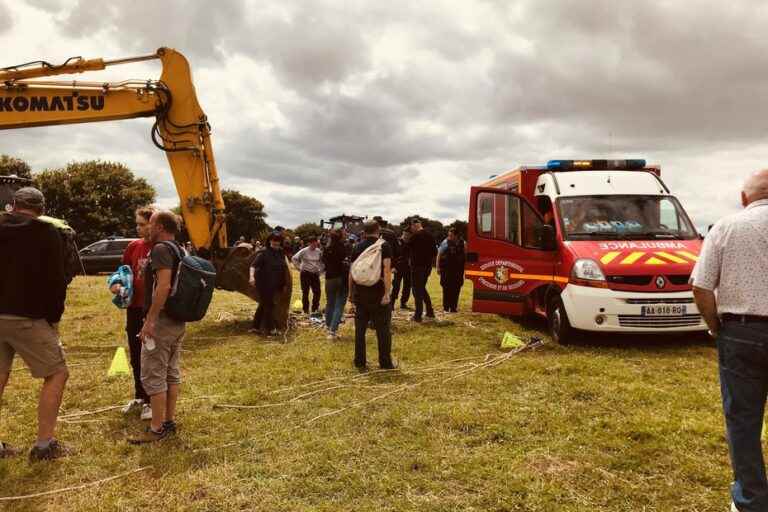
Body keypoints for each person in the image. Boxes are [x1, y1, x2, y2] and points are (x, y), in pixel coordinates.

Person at [691, 169, 768, 512]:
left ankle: (751, 500)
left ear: (743, 198)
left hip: (741, 332)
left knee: (743, 419)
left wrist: (714, 326)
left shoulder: (726, 227)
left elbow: (701, 285)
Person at [0, 187, 70, 460]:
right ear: (40, 208)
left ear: (14, 205)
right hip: (27, 318)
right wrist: (54, 319)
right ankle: (44, 445)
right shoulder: (47, 234)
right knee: (57, 373)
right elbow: (56, 281)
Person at [129, 210, 186, 444]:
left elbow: (162, 287)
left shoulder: (161, 249)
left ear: (161, 227)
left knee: (154, 373)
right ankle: (168, 422)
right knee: (171, 373)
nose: (146, 229)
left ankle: (157, 428)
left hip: (161, 321)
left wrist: (150, 320)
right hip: (177, 319)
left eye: (150, 224)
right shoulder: (179, 249)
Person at [113, 206, 154, 421]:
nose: (138, 228)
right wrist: (117, 284)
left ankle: (151, 401)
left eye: (142, 224)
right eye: (137, 223)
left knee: (151, 355)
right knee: (136, 354)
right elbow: (122, 272)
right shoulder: (133, 246)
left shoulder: (160, 247)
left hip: (153, 310)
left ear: (153, 224)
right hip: (134, 308)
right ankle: (139, 395)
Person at [349, 220, 396, 370]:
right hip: (378, 292)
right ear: (378, 230)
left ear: (365, 231)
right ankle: (385, 362)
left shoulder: (357, 247)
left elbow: (351, 272)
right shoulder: (384, 246)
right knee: (383, 330)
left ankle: (359, 361)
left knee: (360, 330)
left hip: (360, 292)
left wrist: (351, 293)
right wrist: (387, 293)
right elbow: (387, 270)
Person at [250, 232, 288, 335]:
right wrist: (251, 277)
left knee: (263, 304)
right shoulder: (264, 252)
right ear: (270, 240)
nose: (276, 242)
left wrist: (284, 283)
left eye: (278, 240)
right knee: (269, 305)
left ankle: (255, 326)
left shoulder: (281, 253)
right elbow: (253, 266)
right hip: (264, 283)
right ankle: (271, 329)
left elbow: (283, 268)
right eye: (274, 240)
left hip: (276, 283)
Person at [408, 218, 437, 322]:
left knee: (417, 290)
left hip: (417, 267)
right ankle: (430, 311)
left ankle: (418, 315)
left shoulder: (414, 236)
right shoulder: (430, 236)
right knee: (421, 288)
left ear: (414, 226)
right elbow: (435, 252)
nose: (411, 230)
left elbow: (406, 249)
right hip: (427, 267)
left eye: (411, 227)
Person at [322, 229, 350, 339]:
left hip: (329, 278)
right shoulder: (344, 248)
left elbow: (324, 262)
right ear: (340, 237)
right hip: (341, 278)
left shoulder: (326, 248)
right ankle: (332, 331)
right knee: (339, 305)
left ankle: (328, 326)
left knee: (330, 303)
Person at [292, 236, 324, 314]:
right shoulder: (304, 251)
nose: (315, 244)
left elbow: (321, 262)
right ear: (309, 243)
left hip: (315, 274)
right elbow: (294, 258)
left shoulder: (318, 251)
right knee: (305, 292)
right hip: (305, 273)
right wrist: (299, 268)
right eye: (313, 243)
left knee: (317, 292)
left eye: (316, 242)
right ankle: (306, 309)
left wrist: (320, 270)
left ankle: (314, 308)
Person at [438, 228, 465, 313]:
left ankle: (453, 307)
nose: (448, 237)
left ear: (456, 236)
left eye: (451, 235)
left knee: (456, 288)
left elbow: (466, 256)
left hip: (458, 271)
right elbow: (439, 255)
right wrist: (438, 267)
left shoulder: (463, 243)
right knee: (446, 288)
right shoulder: (445, 242)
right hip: (446, 270)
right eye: (448, 235)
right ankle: (446, 308)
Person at [391, 230, 412, 309]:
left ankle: (403, 303)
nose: (407, 236)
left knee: (407, 286)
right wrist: (392, 266)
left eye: (408, 235)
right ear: (403, 233)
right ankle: (392, 303)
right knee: (396, 286)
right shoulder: (397, 242)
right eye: (406, 234)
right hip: (398, 267)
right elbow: (392, 255)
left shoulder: (411, 243)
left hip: (408, 268)